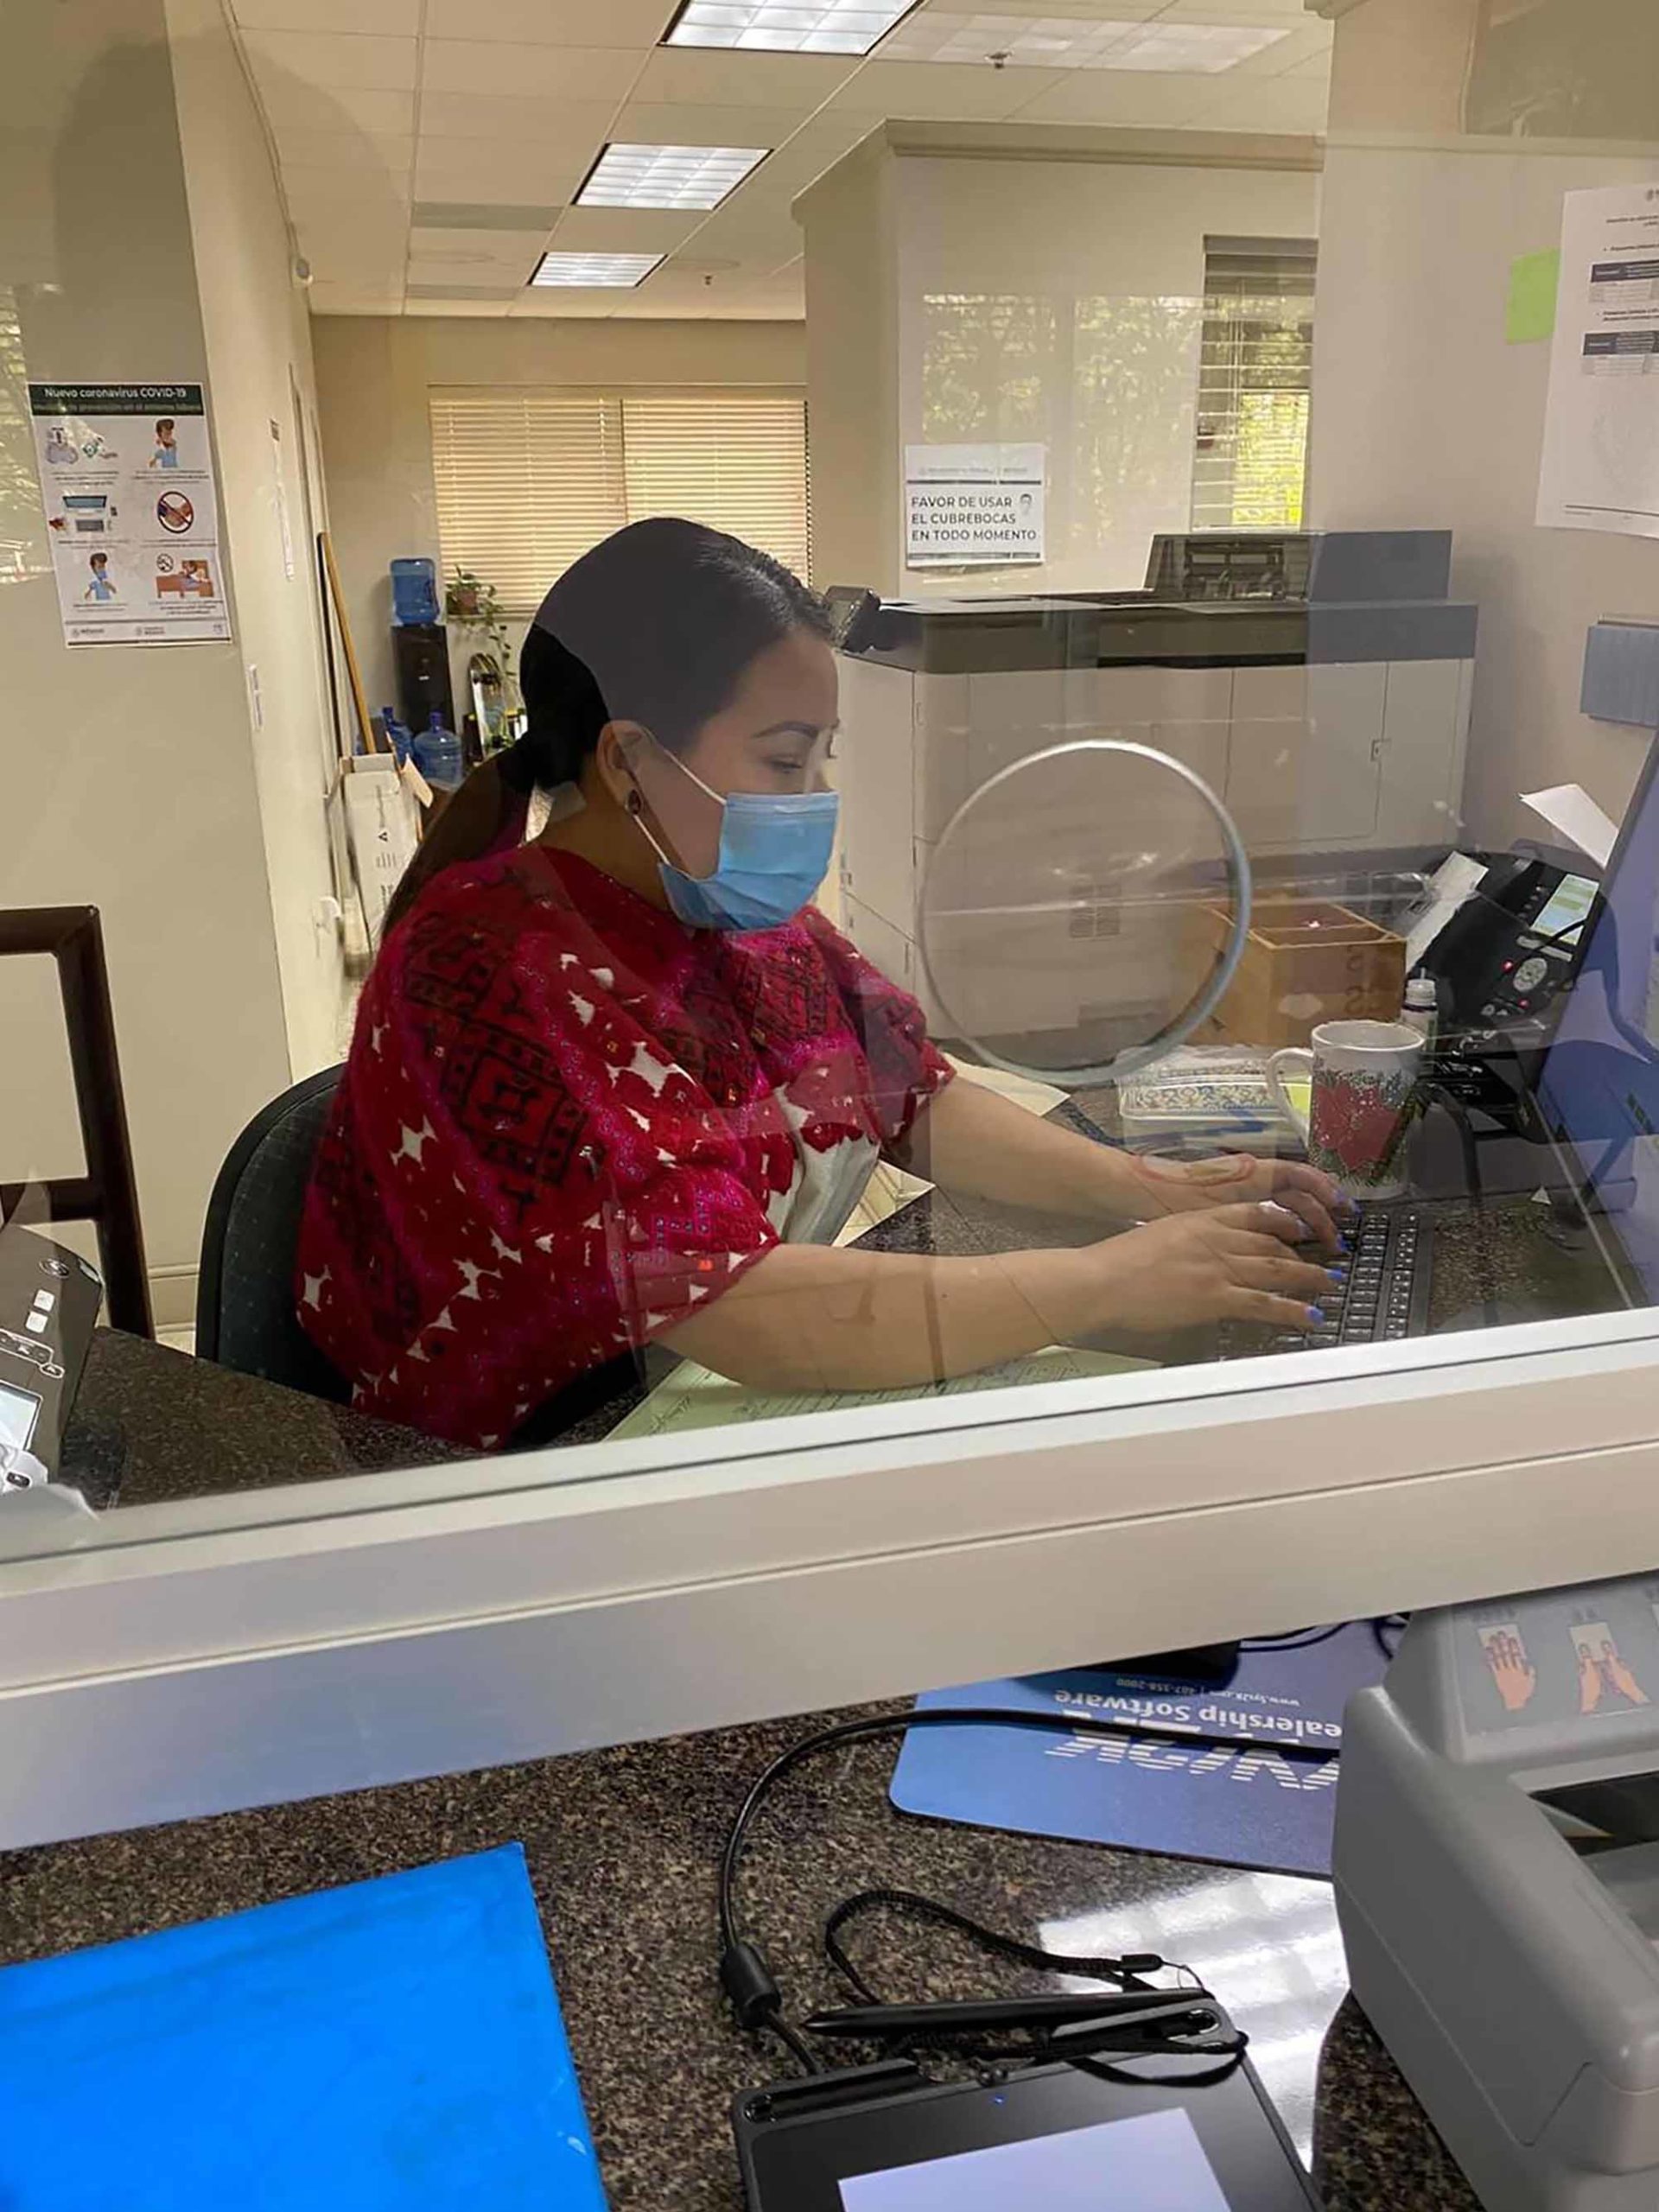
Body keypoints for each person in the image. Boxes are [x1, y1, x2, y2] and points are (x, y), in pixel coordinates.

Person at [297, 518, 1344, 1452]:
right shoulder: (484, 972)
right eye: (787, 760)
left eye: (821, 758)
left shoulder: (734, 917)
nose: (817, 799)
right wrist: (1112, 1280)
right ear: (628, 762)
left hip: (693, 1394)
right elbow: (738, 1304)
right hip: (526, 1466)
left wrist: (1154, 1192)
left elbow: (912, 1095)